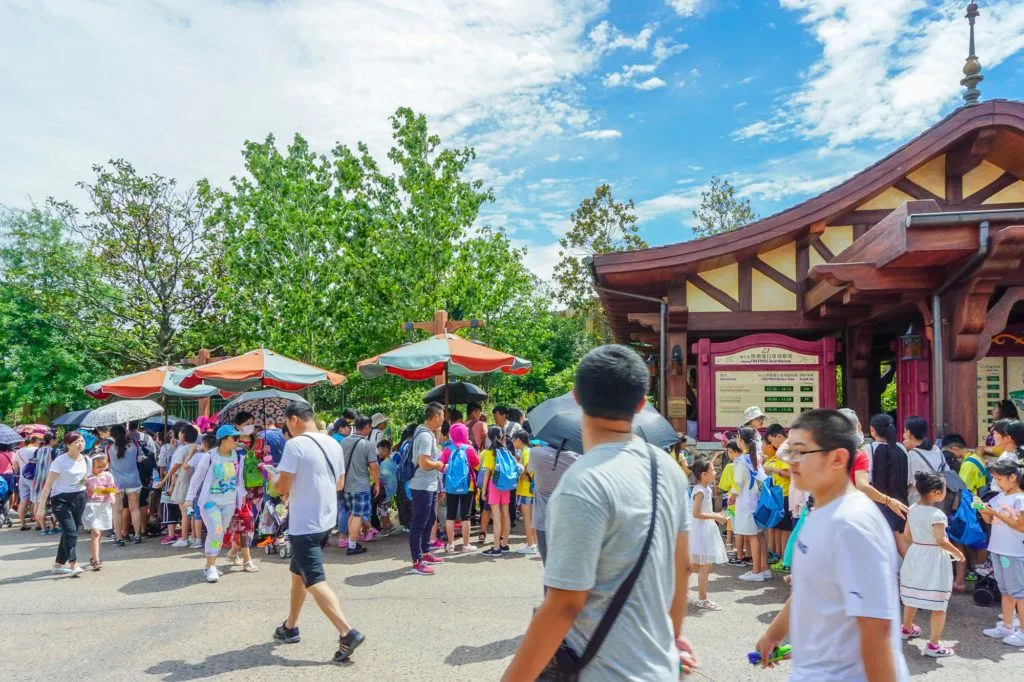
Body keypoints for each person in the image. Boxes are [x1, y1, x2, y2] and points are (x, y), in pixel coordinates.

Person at [503, 345, 696, 681]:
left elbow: (565, 604)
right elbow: (684, 567)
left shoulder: (582, 482)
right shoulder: (666, 468)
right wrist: (672, 639)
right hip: (661, 669)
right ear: (640, 404)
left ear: (576, 397)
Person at [755, 409, 909, 680]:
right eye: (790, 452)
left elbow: (877, 633)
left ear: (837, 457)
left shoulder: (852, 526)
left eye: (801, 452)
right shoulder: (821, 511)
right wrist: (773, 634)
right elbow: (810, 587)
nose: (791, 462)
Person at [267, 401, 366, 663]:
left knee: (313, 579)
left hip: (305, 524)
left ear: (294, 420)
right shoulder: (333, 443)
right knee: (298, 575)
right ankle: (290, 627)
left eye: (286, 424)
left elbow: (282, 485)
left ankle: (347, 631)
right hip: (325, 520)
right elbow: (339, 483)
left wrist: (273, 479)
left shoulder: (295, 445)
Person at [898, 470, 964, 657]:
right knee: (938, 604)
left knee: (912, 596)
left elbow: (907, 535)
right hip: (934, 558)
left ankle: (906, 628)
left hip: (916, 553)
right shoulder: (937, 515)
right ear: (936, 492)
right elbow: (942, 541)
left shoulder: (912, 509)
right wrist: (959, 554)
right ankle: (934, 645)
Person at [186, 425, 247, 582]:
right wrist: (189, 498)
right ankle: (211, 567)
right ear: (224, 439)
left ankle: (209, 565)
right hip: (210, 502)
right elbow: (196, 478)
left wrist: (242, 494)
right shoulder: (210, 456)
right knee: (216, 530)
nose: (237, 441)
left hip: (229, 501)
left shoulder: (238, 456)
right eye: (234, 438)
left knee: (220, 531)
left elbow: (239, 479)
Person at [979, 460, 1024, 647]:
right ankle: (1007, 625)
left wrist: (995, 514)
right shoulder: (998, 497)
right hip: (998, 549)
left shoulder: (1019, 499)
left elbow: (1021, 526)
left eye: (999, 478)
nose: (996, 483)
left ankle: (1021, 631)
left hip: (1013, 552)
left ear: (1012, 478)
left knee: (1019, 593)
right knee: (1005, 590)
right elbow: (989, 520)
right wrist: (982, 510)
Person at [35, 431, 90, 577]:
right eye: (76, 442)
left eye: (82, 441)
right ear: (67, 445)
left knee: (69, 531)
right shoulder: (59, 461)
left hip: (80, 496)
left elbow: (85, 478)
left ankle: (58, 564)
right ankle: (73, 563)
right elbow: (47, 486)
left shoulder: (86, 459)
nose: (80, 444)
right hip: (61, 499)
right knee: (71, 531)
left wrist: (85, 481)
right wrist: (41, 508)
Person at [526, 441, 581, 566]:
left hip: (543, 522)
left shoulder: (535, 453)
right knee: (566, 570)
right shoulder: (578, 458)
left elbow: (530, 472)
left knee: (549, 569)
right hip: (568, 522)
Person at [408, 403, 447, 575]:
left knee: (430, 519)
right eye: (443, 416)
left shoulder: (426, 432)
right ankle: (417, 562)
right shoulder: (424, 436)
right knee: (419, 524)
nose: (444, 419)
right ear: (436, 417)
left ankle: (425, 553)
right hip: (422, 485)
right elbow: (423, 462)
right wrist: (438, 464)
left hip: (428, 485)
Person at [868, 414, 911, 553]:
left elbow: (865, 481)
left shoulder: (869, 449)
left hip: (876, 506)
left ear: (872, 430)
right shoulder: (902, 449)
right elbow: (909, 480)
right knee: (906, 553)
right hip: (901, 505)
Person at [690, 457, 729, 611]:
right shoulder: (700, 490)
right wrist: (715, 516)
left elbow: (703, 512)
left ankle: (674, 591)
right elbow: (696, 513)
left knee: (695, 565)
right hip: (701, 529)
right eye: (712, 469)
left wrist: (717, 515)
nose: (715, 471)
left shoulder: (705, 488)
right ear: (703, 475)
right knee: (705, 566)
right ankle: (702, 599)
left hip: (704, 528)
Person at [733, 426, 769, 582]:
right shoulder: (756, 458)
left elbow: (737, 483)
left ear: (741, 440)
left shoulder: (741, 460)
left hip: (745, 502)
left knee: (752, 537)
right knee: (759, 535)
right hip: (757, 501)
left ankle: (756, 571)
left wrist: (732, 497)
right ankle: (764, 568)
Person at [339, 415, 379, 556]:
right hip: (360, 485)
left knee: (352, 514)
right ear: (367, 427)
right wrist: (377, 484)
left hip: (346, 485)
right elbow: (373, 467)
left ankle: (351, 542)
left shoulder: (344, 442)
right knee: (357, 516)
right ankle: (352, 546)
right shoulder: (367, 445)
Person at [440, 422, 479, 554]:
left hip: (450, 485)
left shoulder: (447, 449)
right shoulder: (469, 448)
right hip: (467, 485)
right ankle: (465, 545)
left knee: (450, 515)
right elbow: (477, 464)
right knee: (465, 516)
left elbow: (441, 466)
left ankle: (450, 545)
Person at [107, 424, 145, 546]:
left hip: (115, 482)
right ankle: (137, 536)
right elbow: (140, 460)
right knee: (135, 509)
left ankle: (119, 538)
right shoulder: (134, 445)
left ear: (112, 435)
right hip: (133, 480)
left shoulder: (108, 447)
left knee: (116, 511)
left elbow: (107, 463)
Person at [480, 426, 513, 558]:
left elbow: (487, 474)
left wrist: (483, 492)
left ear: (488, 437)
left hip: (494, 486)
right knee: (506, 514)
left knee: (496, 516)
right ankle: (504, 544)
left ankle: (496, 547)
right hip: (506, 485)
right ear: (502, 437)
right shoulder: (507, 451)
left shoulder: (489, 453)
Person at [763, 424, 791, 565]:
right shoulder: (782, 449)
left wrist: (773, 470)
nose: (772, 445)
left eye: (772, 441)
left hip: (787, 493)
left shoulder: (785, 450)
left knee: (785, 528)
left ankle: (784, 559)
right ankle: (779, 555)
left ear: (779, 436)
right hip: (781, 495)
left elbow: (791, 474)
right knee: (779, 527)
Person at [83, 452, 116, 571]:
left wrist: (97, 491)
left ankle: (94, 556)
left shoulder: (108, 475)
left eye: (104, 466)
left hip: (103, 505)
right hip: (90, 505)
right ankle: (96, 560)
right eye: (98, 466)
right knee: (96, 532)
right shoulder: (86, 477)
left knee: (99, 532)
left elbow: (112, 489)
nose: (101, 469)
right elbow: (81, 490)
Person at [903, 416, 945, 506]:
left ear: (908, 432)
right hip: (939, 497)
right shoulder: (936, 449)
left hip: (919, 499)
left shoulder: (912, 455)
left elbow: (910, 483)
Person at [512, 430, 537, 555]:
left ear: (518, 440)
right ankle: (534, 543)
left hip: (526, 490)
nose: (513, 442)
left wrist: (520, 471)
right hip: (530, 490)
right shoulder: (527, 451)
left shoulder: (526, 452)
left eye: (513, 439)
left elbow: (528, 472)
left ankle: (530, 545)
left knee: (527, 519)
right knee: (532, 518)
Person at [15, 434, 41, 531]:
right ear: (34, 441)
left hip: (22, 477)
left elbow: (15, 466)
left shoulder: (19, 451)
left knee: (23, 501)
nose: (41, 442)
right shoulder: (36, 450)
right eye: (40, 440)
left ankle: (23, 524)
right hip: (34, 477)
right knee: (36, 499)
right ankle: (38, 523)